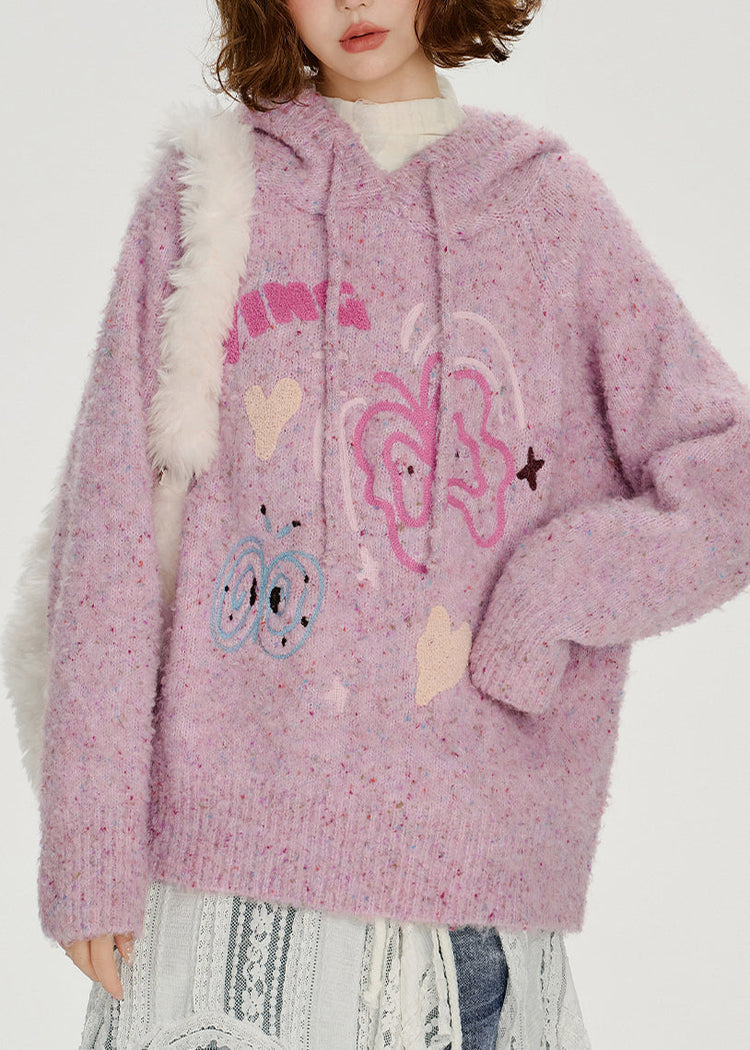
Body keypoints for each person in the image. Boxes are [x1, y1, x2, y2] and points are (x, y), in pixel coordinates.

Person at [4, 1, 749, 1047]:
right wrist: (88, 841)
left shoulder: (547, 208)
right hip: (217, 915)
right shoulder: (210, 194)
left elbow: (728, 481)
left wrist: (553, 589)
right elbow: (110, 528)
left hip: (467, 927)